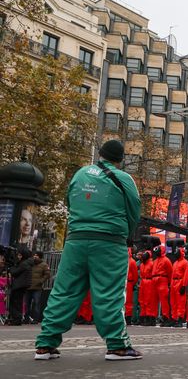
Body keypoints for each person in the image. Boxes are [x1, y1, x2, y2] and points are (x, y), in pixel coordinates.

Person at [35, 140, 142, 360]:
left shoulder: (80, 174)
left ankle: (46, 344)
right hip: (109, 243)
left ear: (100, 154)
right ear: (120, 160)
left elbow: (70, 203)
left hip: (75, 240)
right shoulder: (123, 178)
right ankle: (117, 346)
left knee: (63, 291)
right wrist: (126, 235)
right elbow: (134, 211)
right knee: (109, 293)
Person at [8, 250, 33, 325]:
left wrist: (11, 267)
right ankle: (16, 319)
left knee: (16, 303)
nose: (18, 257)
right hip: (21, 285)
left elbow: (14, 272)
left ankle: (16, 320)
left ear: (23, 256)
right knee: (17, 303)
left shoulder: (24, 264)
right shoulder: (26, 263)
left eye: (19, 255)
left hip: (19, 286)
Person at [25, 251, 50, 324]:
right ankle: (26, 319)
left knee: (36, 303)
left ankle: (36, 319)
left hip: (37, 288)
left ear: (40, 256)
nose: (35, 256)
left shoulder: (44, 265)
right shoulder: (30, 263)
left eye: (37, 255)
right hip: (28, 287)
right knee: (27, 304)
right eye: (34, 255)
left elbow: (47, 274)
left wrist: (41, 281)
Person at [151, 245, 173, 327]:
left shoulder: (166, 260)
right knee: (153, 300)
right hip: (155, 280)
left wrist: (170, 284)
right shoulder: (155, 260)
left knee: (164, 301)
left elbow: (170, 272)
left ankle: (166, 318)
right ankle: (153, 317)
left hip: (162, 280)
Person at [170, 245, 188, 328]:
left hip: (180, 282)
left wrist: (184, 285)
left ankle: (180, 319)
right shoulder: (175, 263)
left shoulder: (185, 262)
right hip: (174, 282)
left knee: (180, 302)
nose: (175, 253)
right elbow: (172, 275)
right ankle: (174, 318)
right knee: (173, 302)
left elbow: (186, 275)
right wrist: (171, 284)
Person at [138, 250, 156, 326]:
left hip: (149, 282)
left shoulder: (151, 264)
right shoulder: (142, 264)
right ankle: (143, 317)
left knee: (149, 300)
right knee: (142, 300)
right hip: (143, 282)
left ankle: (150, 318)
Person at [125, 244, 138, 325]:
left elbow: (135, 275)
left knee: (128, 301)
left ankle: (128, 317)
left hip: (129, 282)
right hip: (125, 282)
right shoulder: (127, 261)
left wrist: (133, 284)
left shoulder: (132, 262)